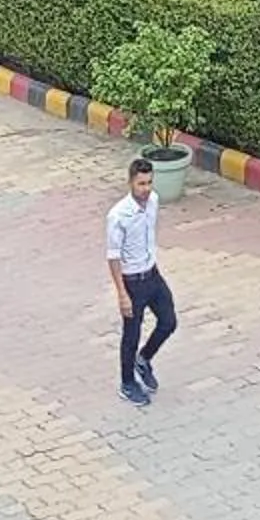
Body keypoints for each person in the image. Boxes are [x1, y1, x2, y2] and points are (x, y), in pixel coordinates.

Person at [105, 155, 176, 406]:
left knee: (168, 321)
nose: (146, 190)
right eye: (141, 184)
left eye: (149, 183)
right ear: (130, 183)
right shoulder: (118, 216)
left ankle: (144, 359)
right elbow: (113, 257)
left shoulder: (154, 201)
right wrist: (122, 293)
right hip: (132, 281)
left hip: (152, 274)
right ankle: (127, 383)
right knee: (131, 334)